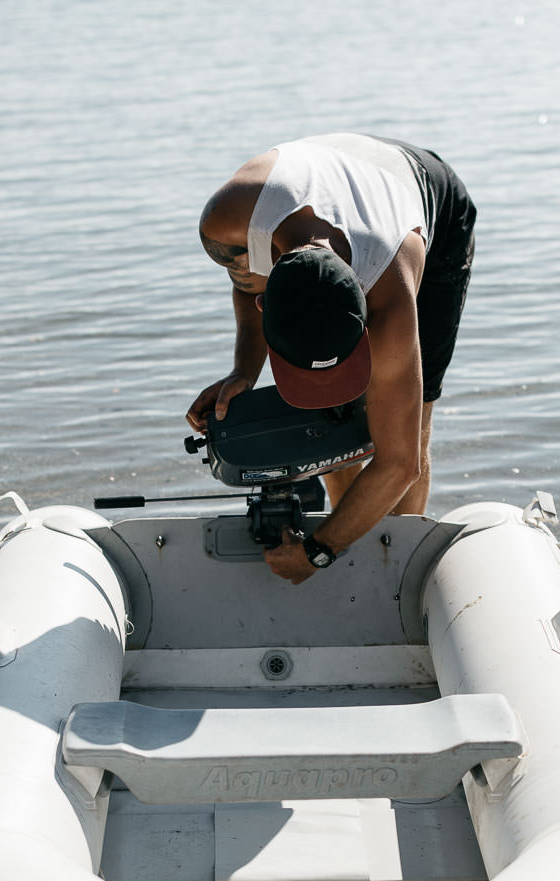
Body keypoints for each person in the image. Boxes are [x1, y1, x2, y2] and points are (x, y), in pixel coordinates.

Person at [188, 134, 476, 584]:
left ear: (366, 322)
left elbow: (401, 462)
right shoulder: (227, 222)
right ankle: (349, 522)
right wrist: (244, 370)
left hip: (426, 196)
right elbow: (246, 283)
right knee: (331, 417)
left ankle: (395, 563)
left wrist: (319, 552)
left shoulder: (391, 302)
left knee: (409, 423)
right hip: (336, 179)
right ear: (267, 303)